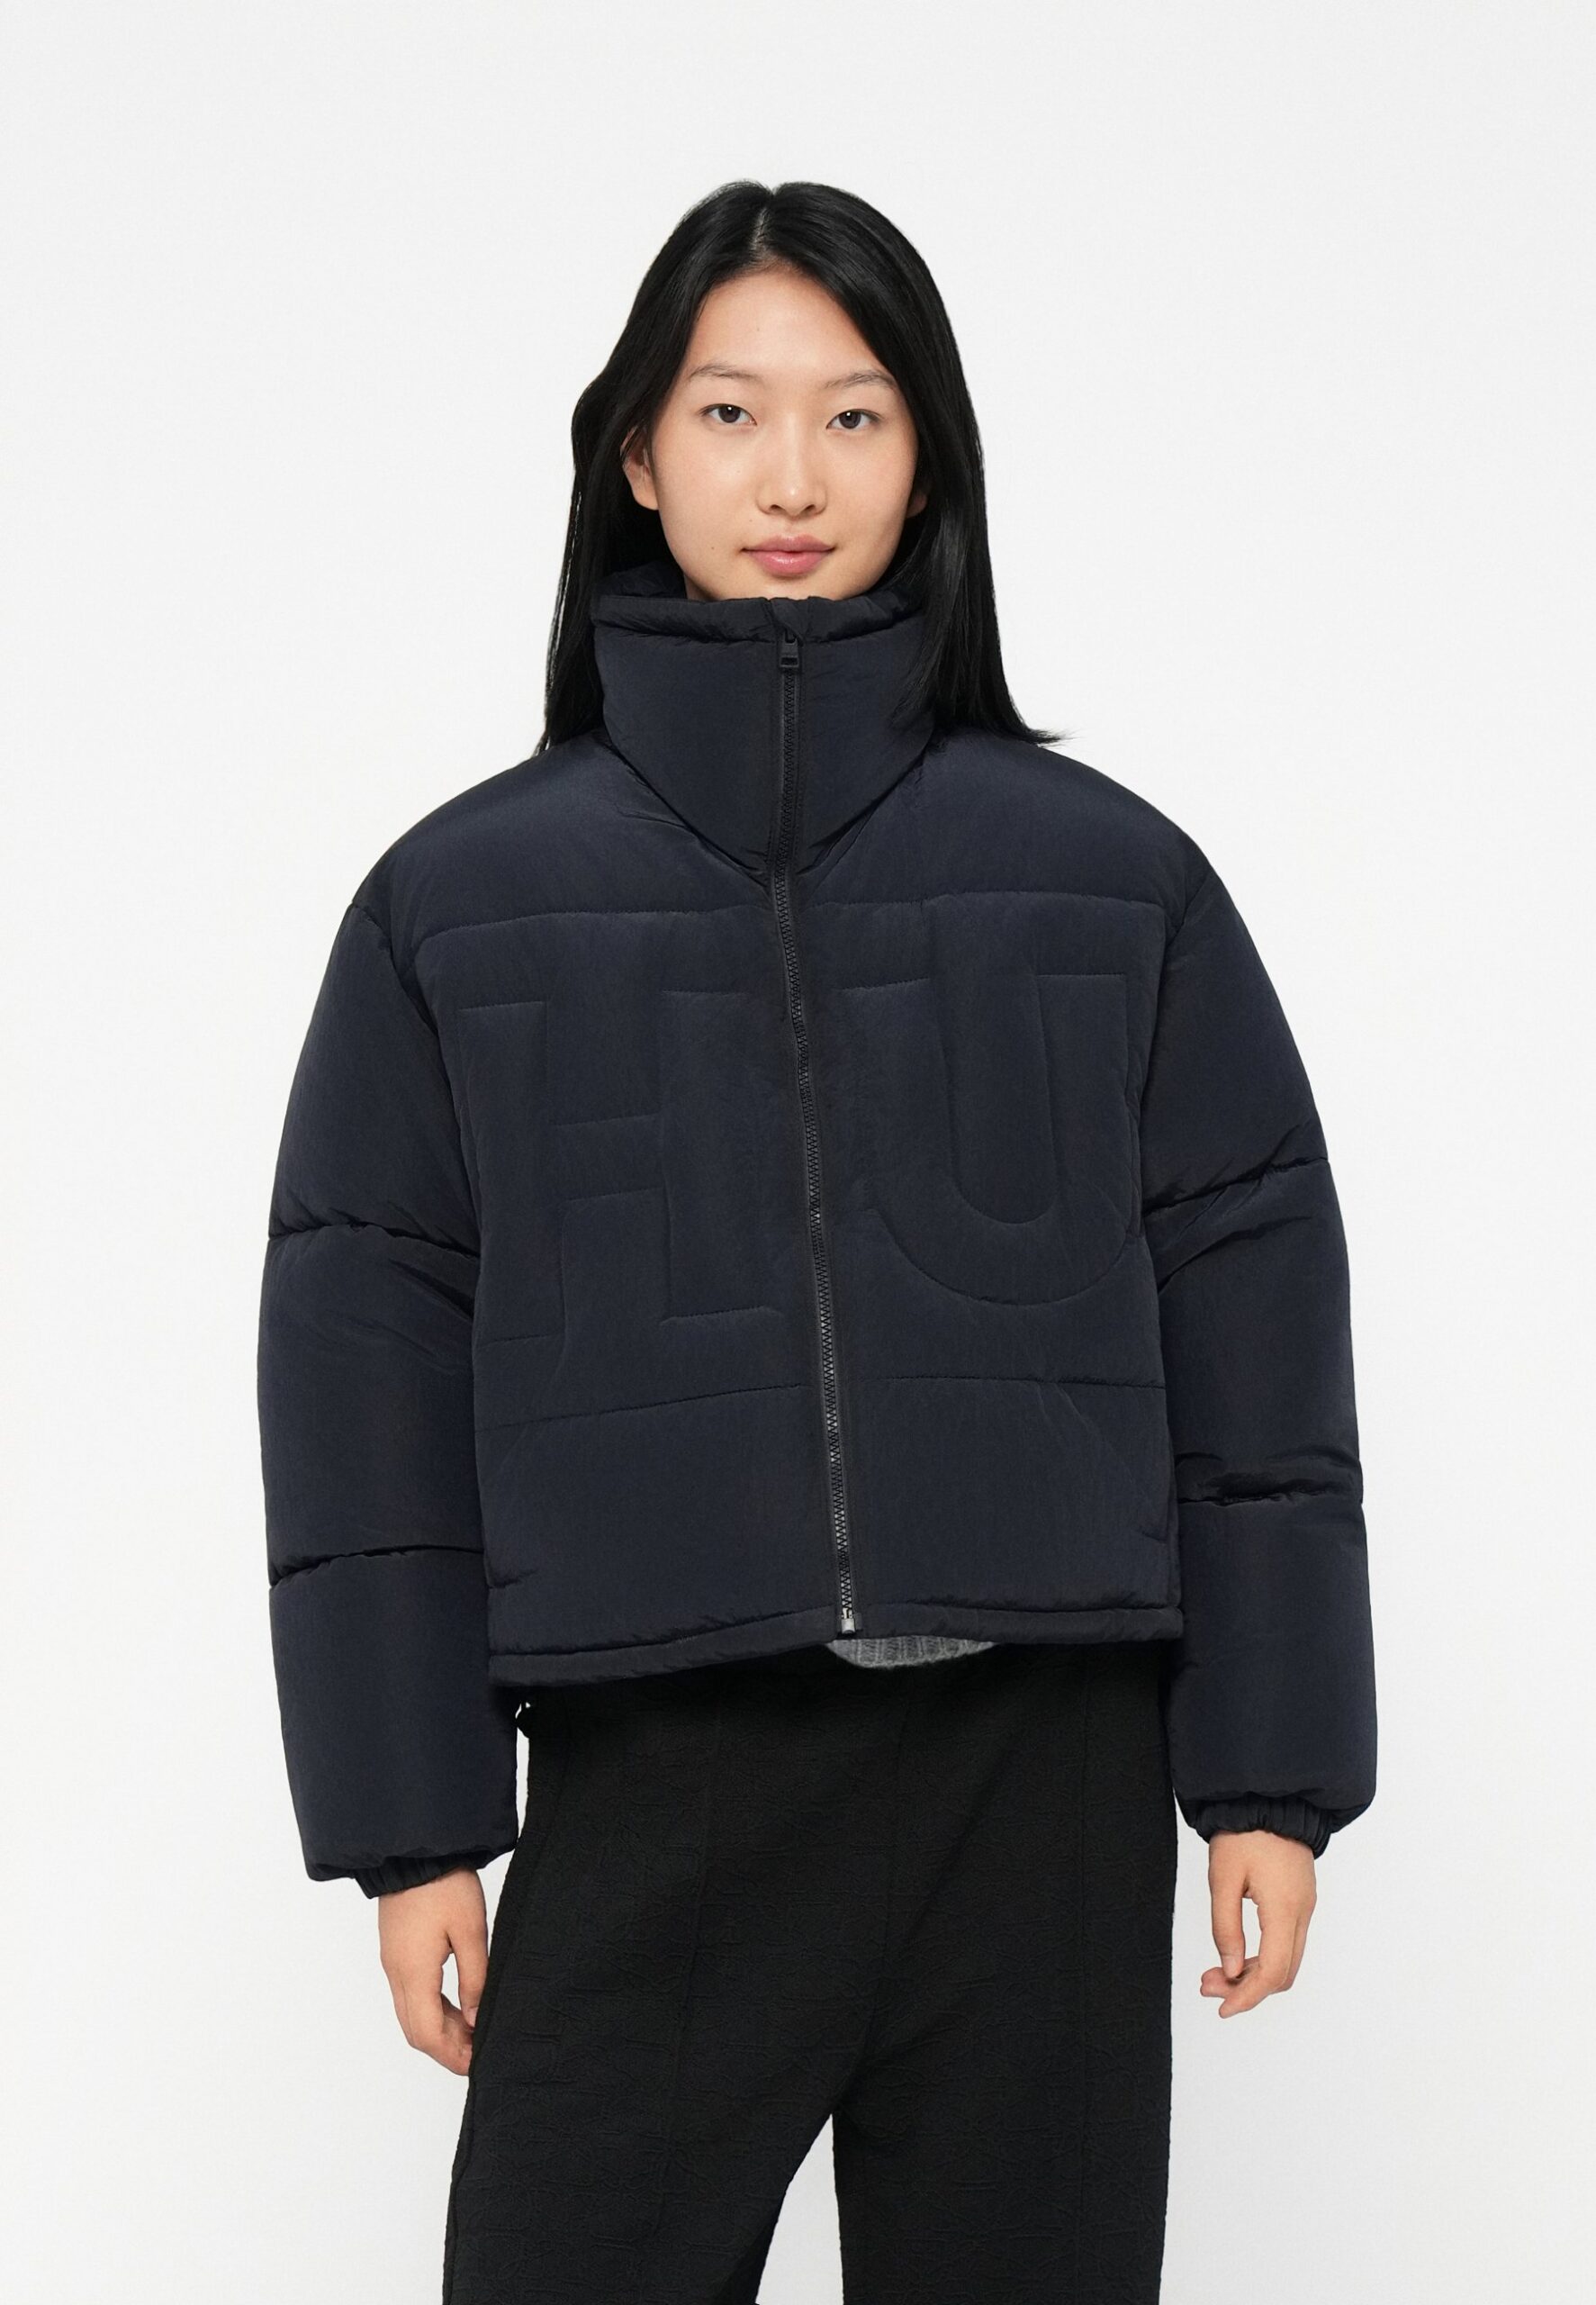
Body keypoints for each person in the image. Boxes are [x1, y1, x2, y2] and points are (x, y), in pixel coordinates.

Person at [257, 177, 1377, 2303]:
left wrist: (1269, 1774)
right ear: (635, 452)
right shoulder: (455, 908)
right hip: (664, 1769)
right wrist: (412, 1824)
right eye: (730, 411)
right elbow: (363, 1381)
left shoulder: (1111, 881)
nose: (791, 478)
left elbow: (1253, 1337)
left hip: (1039, 1772)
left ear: (925, 456)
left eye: (853, 416)